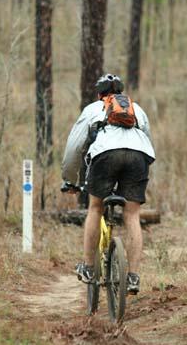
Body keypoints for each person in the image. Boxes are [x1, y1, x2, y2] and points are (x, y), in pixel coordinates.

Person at [61, 74, 155, 294]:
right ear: (121, 93)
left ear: (99, 94)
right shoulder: (137, 109)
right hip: (137, 157)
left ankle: (89, 267)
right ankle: (132, 276)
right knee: (132, 215)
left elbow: (74, 147)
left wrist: (69, 178)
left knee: (95, 207)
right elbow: (147, 139)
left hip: (105, 156)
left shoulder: (93, 109)